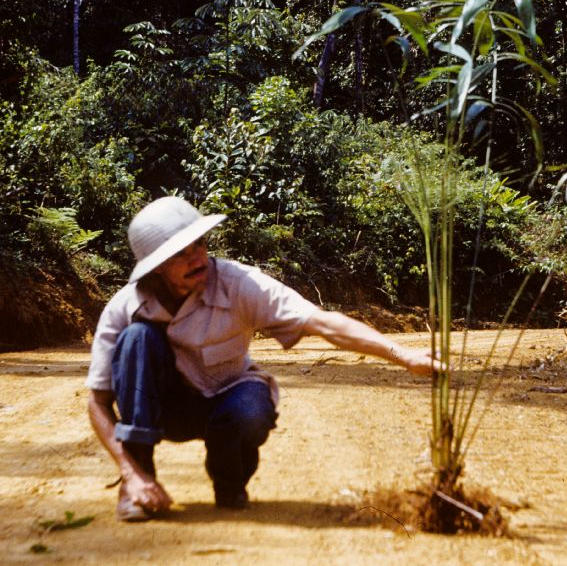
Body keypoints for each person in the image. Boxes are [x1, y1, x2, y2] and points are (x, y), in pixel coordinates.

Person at [86, 195, 439, 522]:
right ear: (157, 266)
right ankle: (138, 484)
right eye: (182, 252)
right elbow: (98, 402)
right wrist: (130, 472)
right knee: (138, 338)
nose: (198, 258)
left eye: (201, 244)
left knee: (250, 411)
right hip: (166, 411)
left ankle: (230, 483)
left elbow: (322, 322)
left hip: (227, 398)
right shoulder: (124, 308)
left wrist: (403, 355)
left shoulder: (237, 283)